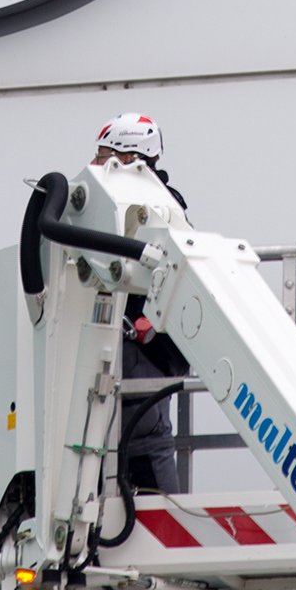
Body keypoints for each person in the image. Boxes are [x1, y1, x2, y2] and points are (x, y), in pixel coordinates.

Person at [94, 113, 190, 495]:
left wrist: (150, 322)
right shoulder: (134, 203)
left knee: (144, 449)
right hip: (120, 354)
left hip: (137, 357)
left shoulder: (158, 208)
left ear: (129, 157)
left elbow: (177, 274)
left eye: (103, 155)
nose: (97, 164)